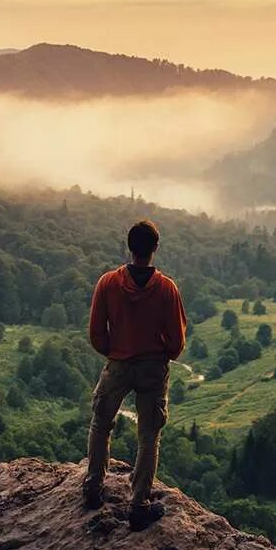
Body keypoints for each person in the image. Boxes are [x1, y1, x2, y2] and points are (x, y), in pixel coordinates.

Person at [83, 219, 187, 531]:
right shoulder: (167, 288)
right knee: (149, 434)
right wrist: (160, 355)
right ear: (155, 248)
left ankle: (92, 489)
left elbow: (96, 333)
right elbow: (178, 342)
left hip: (117, 364)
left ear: (129, 247)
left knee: (101, 424)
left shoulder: (108, 283)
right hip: (153, 367)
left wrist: (115, 353)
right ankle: (139, 504)